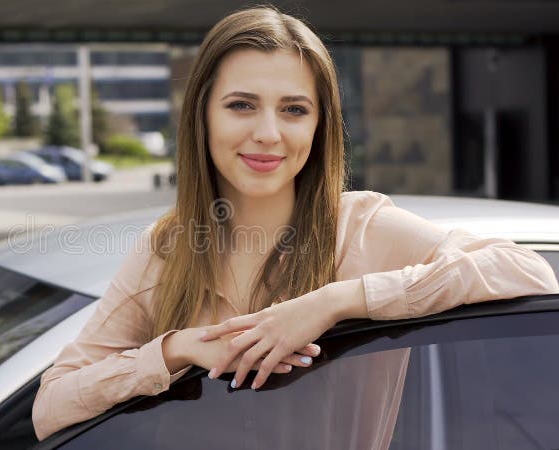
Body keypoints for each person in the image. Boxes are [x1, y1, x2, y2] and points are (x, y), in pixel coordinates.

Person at [31, 6, 558, 441]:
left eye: (293, 109)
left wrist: (334, 302)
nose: (268, 133)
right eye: (241, 105)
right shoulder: (168, 248)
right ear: (203, 115)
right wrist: (175, 351)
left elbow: (527, 271)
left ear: (319, 123)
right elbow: (51, 405)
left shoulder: (362, 228)